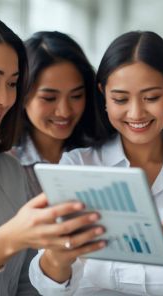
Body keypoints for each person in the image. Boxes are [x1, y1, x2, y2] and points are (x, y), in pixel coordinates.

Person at [29, 31, 163, 296]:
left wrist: (95, 263)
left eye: (151, 97)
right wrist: (58, 256)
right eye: (120, 99)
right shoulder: (77, 164)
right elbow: (50, 287)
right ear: (104, 97)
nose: (136, 113)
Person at [0, 8, 104, 296]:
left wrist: (59, 258)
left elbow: (25, 285)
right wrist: (10, 238)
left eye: (12, 83)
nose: (6, 99)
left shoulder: (8, 170)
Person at [11, 31, 97, 198]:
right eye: (49, 98)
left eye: (76, 96)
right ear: (22, 96)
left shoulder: (99, 154)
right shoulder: (2, 163)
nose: (64, 111)